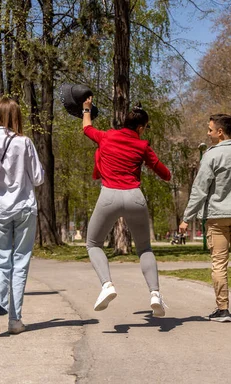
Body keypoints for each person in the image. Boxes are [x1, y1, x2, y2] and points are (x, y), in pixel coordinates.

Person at [82, 96, 171, 317]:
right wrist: (159, 167)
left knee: (93, 243)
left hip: (109, 196)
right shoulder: (142, 146)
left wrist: (86, 109)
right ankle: (155, 294)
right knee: (144, 249)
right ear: (140, 127)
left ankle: (107, 285)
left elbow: (87, 128)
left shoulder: (107, 136)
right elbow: (165, 174)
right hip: (135, 198)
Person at [0, 97, 44, 337]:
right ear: (16, 117)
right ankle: (15, 320)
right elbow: (38, 178)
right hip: (24, 207)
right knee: (20, 262)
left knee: (0, 261)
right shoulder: (24, 143)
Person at [179, 114, 231, 324]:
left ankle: (223, 310)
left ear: (220, 132)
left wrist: (187, 217)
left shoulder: (211, 156)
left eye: (210, 129)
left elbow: (200, 189)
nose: (208, 133)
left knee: (219, 263)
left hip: (217, 217)